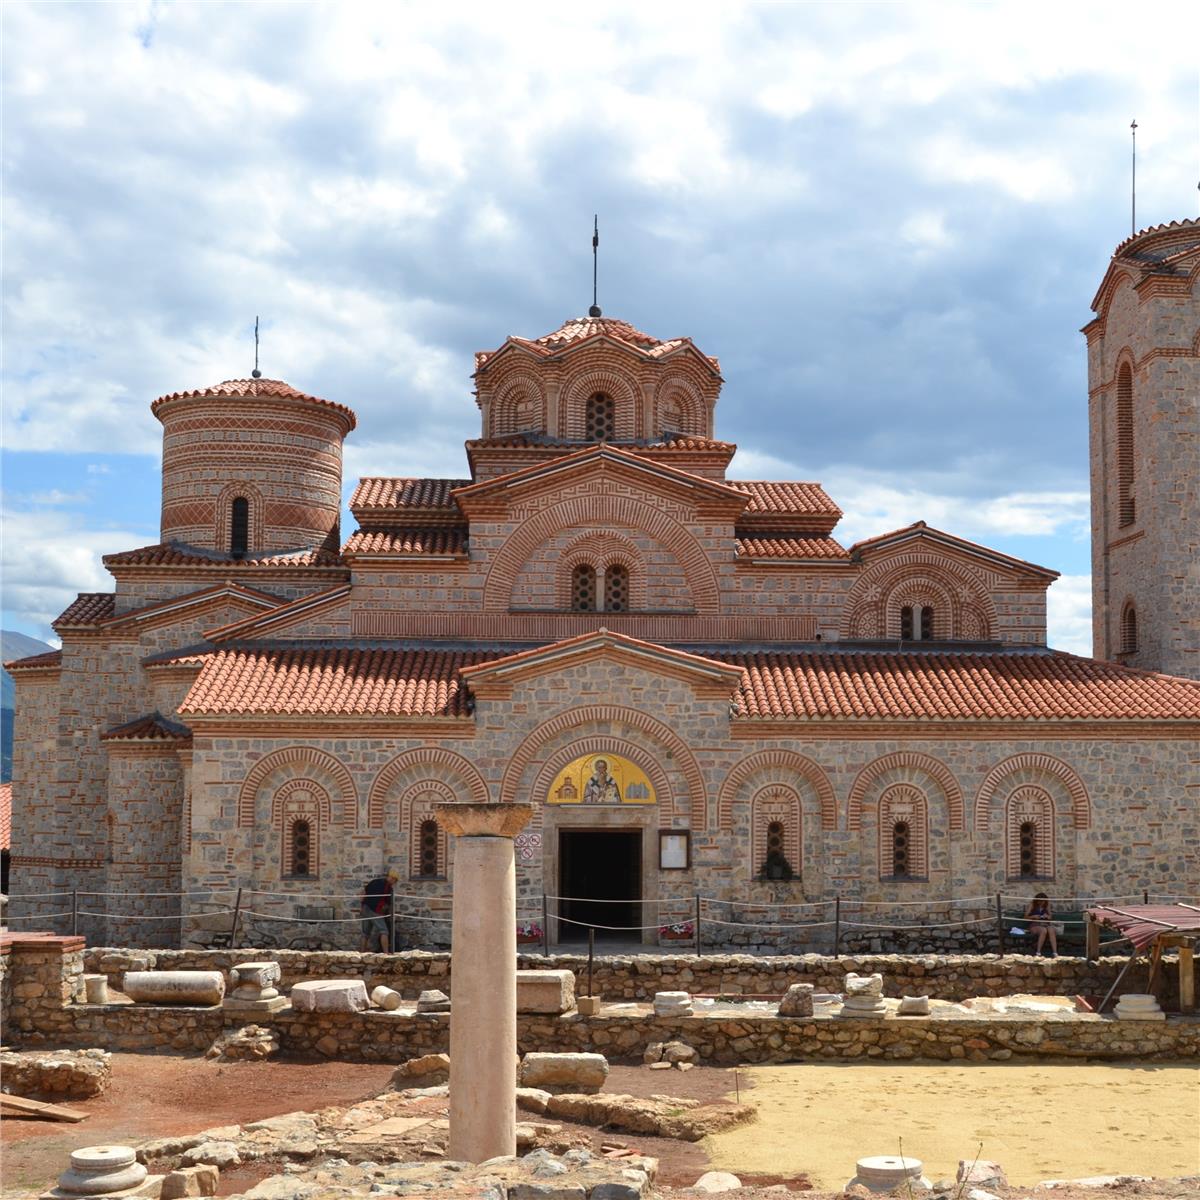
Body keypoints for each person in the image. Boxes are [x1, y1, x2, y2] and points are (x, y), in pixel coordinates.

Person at [361, 867, 398, 952]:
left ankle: (362, 953)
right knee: (384, 931)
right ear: (392, 878)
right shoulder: (388, 887)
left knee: (365, 933)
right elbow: (387, 903)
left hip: (365, 908)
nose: (394, 883)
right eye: (395, 881)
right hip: (375, 910)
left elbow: (364, 893)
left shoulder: (374, 881)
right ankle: (386, 954)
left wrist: (362, 907)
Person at [1024, 891, 1057, 957]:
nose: (1041, 903)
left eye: (1043, 901)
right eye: (1039, 901)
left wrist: (1047, 916)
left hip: (1045, 923)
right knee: (1043, 930)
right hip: (1035, 924)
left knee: (1051, 930)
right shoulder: (1032, 905)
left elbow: (1050, 917)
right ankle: (1038, 952)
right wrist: (1033, 916)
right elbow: (1025, 917)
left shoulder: (1047, 905)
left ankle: (1055, 952)